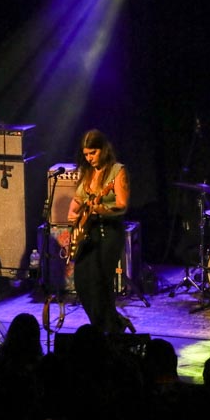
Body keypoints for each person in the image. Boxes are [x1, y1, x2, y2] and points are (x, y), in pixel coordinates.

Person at [66, 129, 132, 335]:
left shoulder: (117, 171)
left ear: (103, 149)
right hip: (89, 233)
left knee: (100, 283)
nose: (89, 158)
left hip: (109, 232)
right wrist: (71, 215)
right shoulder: (86, 172)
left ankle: (106, 330)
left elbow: (122, 205)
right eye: (86, 154)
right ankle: (111, 324)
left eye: (92, 153)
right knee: (81, 281)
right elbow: (77, 201)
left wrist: (102, 209)